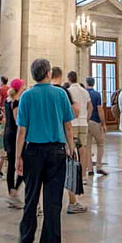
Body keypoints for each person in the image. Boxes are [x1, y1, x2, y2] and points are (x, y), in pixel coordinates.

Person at [15, 57, 75, 243]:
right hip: (57, 151)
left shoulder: (27, 96)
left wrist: (18, 157)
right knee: (53, 204)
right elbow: (68, 126)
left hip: (32, 152)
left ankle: (27, 239)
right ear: (48, 73)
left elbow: (22, 130)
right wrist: (71, 148)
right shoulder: (60, 94)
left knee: (31, 197)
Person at [51, 66, 87, 213]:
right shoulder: (63, 92)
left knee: (41, 175)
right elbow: (70, 118)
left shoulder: (33, 91)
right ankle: (72, 202)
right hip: (61, 138)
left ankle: (38, 206)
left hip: (42, 140)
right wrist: (70, 145)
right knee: (68, 170)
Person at [66, 71, 92, 188]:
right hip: (83, 122)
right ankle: (83, 176)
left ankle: (72, 175)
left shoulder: (69, 91)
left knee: (72, 149)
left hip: (73, 122)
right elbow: (90, 107)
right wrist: (86, 118)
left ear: (69, 79)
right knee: (83, 149)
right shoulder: (84, 91)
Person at [4, 78, 25, 207]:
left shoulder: (7, 101)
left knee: (11, 166)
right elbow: (18, 121)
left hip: (7, 133)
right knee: (21, 165)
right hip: (14, 136)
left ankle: (11, 192)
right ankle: (14, 191)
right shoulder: (16, 103)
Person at [85, 76, 107, 175]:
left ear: (86, 83)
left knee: (88, 146)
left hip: (85, 122)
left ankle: (89, 168)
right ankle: (98, 166)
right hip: (95, 121)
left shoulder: (83, 93)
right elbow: (100, 109)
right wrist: (103, 123)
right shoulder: (97, 94)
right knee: (100, 143)